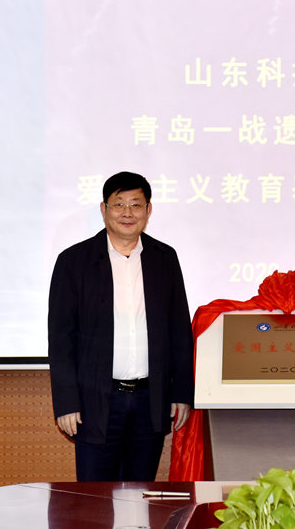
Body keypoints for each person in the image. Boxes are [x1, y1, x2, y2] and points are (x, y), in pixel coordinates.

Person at [48, 171, 194, 482]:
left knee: (140, 496)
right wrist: (67, 402)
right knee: (94, 499)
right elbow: (61, 339)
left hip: (149, 400)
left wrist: (181, 393)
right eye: (119, 204)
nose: (128, 213)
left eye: (136, 204)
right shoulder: (74, 261)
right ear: (104, 210)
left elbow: (180, 331)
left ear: (148, 211)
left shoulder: (164, 259)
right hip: (96, 402)